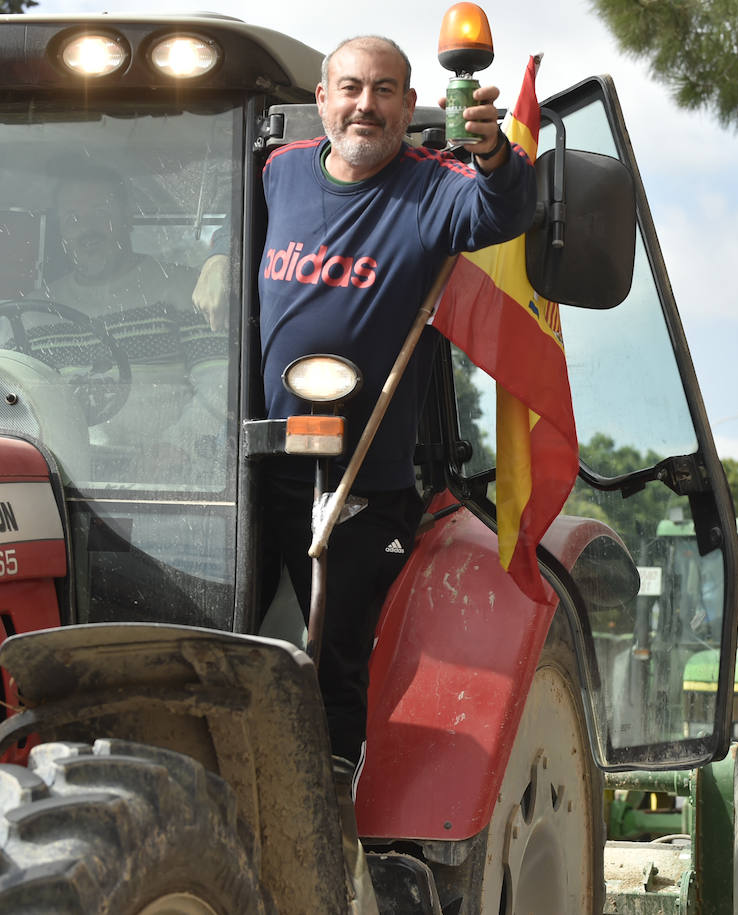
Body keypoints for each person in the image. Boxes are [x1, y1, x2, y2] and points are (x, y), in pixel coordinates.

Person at [251, 34, 536, 778]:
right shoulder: (278, 172)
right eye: (349, 88)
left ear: (411, 106)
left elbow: (505, 209)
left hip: (361, 484)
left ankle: (337, 826)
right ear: (321, 101)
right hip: (260, 469)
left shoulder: (433, 188)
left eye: (383, 91)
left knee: (333, 667)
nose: (364, 106)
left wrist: (495, 156)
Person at [25, 163, 224, 484]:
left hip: (164, 480)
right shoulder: (32, 312)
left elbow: (221, 383)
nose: (87, 230)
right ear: (61, 230)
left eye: (99, 214)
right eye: (73, 219)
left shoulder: (181, 289)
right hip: (59, 478)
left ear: (127, 216)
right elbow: (4, 392)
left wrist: (178, 444)